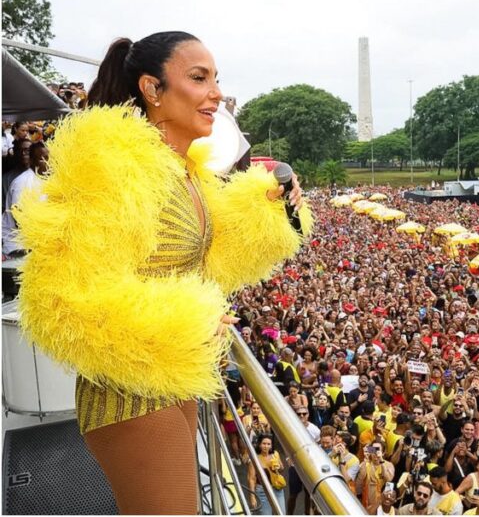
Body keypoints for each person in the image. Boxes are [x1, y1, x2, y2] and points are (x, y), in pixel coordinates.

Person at [12, 31, 312, 514]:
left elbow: (204, 259)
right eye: (199, 78)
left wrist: (271, 210)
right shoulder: (112, 164)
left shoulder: (181, 169)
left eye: (216, 79)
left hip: (167, 378)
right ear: (153, 89)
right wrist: (184, 323)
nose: (216, 93)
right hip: (127, 396)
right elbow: (62, 294)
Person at [248, 434, 287, 515]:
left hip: (277, 487)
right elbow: (251, 479)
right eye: (264, 443)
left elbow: (282, 468)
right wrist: (252, 497)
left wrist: (278, 467)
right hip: (263, 490)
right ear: (259, 444)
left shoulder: (275, 454)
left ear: (271, 445)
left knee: (281, 513)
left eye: (268, 444)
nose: (266, 446)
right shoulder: (255, 459)